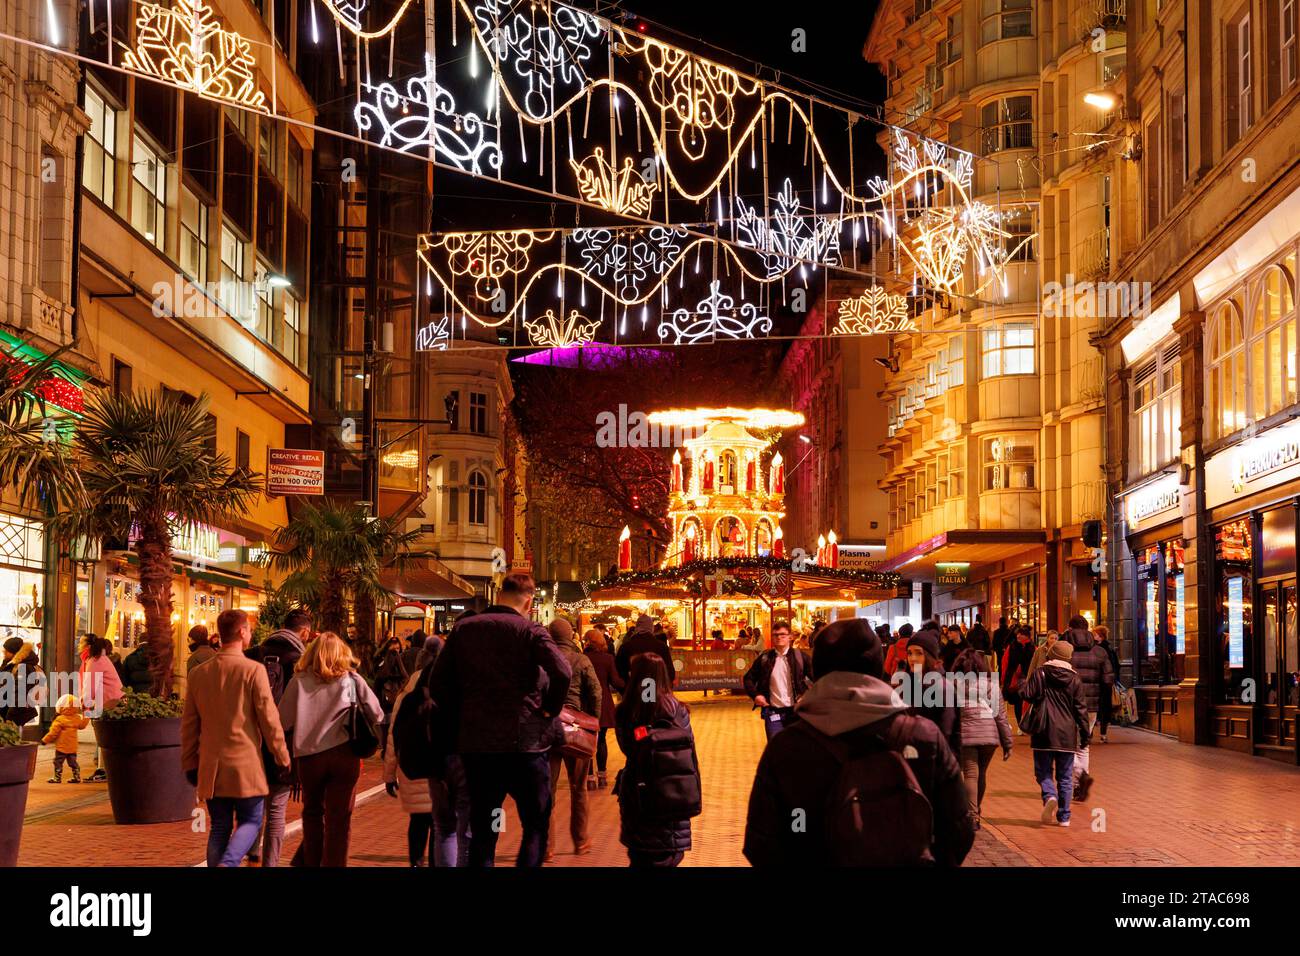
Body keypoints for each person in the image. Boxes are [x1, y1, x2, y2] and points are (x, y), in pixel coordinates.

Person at [743, 618, 975, 867]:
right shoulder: (921, 736)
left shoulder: (787, 746)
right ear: (876, 667)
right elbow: (958, 829)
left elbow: (761, 844)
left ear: (819, 670)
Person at [429, 572, 571, 867]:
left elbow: (438, 682)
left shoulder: (465, 629)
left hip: (481, 748)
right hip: (525, 748)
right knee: (534, 823)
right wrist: (548, 709)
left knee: (486, 825)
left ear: (499, 595)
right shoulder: (530, 632)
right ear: (529, 601)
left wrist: (463, 712)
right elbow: (562, 672)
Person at [181, 609, 291, 868]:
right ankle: (228, 863)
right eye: (249, 629)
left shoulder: (199, 674)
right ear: (242, 632)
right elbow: (269, 719)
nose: (250, 633)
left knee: (219, 826)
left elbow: (189, 724)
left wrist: (189, 761)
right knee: (251, 821)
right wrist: (282, 755)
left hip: (212, 765)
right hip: (245, 765)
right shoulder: (253, 671)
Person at [277, 631, 382, 867]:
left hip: (309, 757)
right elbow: (376, 713)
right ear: (342, 653)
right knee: (339, 819)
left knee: (313, 813)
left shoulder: (299, 681)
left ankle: (313, 862)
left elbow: (283, 721)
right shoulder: (352, 681)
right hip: (344, 755)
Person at [615, 652, 699, 867]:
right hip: (674, 791)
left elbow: (628, 748)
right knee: (668, 856)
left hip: (638, 791)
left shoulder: (626, 711)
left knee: (640, 856)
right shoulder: (678, 709)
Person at [244, 607, 312, 868]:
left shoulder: (253, 654)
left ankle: (251, 853)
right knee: (276, 809)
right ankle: (270, 863)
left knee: (255, 804)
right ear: (304, 632)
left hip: (251, 740)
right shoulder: (301, 661)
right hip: (283, 741)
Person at [544, 619, 601, 862]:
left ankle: (547, 847)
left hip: (549, 730)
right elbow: (596, 692)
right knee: (579, 789)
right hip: (576, 730)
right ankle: (580, 841)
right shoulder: (581, 660)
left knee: (547, 791)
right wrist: (592, 724)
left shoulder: (543, 659)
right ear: (571, 636)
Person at [1020, 639, 1091, 827]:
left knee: (1043, 772)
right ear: (1068, 657)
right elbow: (1080, 709)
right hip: (1067, 734)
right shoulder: (1075, 679)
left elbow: (1026, 694)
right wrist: (1085, 734)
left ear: (1051, 654)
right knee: (1065, 776)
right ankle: (1064, 816)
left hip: (1043, 730)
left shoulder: (1040, 673)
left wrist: (1025, 685)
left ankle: (1050, 795)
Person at [384, 655, 436, 867]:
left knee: (418, 821)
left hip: (411, 767)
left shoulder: (405, 695)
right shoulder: (446, 689)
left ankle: (415, 862)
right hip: (439, 770)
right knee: (439, 825)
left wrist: (389, 774)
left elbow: (392, 737)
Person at [951, 646, 1012, 828]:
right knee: (981, 773)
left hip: (967, 735)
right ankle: (976, 810)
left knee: (970, 774)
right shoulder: (992, 686)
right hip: (989, 736)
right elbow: (1001, 717)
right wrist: (1007, 743)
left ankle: (972, 815)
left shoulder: (953, 685)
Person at [1063, 615, 1114, 801]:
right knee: (1083, 745)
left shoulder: (1064, 650)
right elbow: (1108, 680)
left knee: (1066, 745)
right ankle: (1079, 785)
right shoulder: (1100, 652)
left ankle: (1079, 777)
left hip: (1067, 705)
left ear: (1070, 628)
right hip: (1091, 707)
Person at [742, 620, 812, 740]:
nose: (779, 637)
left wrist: (807, 696)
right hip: (773, 712)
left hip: (796, 713)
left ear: (790, 637)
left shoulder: (800, 657)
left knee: (795, 748)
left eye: (782, 635)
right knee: (775, 747)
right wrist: (756, 696)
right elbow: (748, 678)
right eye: (775, 635)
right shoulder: (765, 658)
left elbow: (819, 680)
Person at [904, 629, 961, 755]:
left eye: (919, 653)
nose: (912, 658)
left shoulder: (941, 685)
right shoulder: (912, 682)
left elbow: (945, 729)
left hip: (937, 760)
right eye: (909, 653)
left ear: (929, 656)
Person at [78, 634, 123, 781]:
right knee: (105, 736)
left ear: (88, 646)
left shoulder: (95, 660)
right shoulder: (97, 658)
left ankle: (103, 770)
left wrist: (84, 703)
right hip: (108, 701)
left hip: (107, 702)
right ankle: (104, 768)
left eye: (81, 642)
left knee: (104, 736)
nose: (78, 644)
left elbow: (89, 685)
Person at [583, 628, 623, 788]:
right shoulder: (608, 659)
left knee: (587, 741)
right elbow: (615, 681)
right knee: (602, 741)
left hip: (586, 704)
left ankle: (590, 777)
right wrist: (630, 688)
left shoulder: (583, 658)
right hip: (604, 704)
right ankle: (602, 776)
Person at [42, 694, 89, 784]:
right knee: (73, 763)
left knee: (58, 762)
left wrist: (45, 740)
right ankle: (77, 777)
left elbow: (53, 733)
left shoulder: (59, 720)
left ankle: (57, 778)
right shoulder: (76, 718)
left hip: (61, 747)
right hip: (72, 747)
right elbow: (82, 725)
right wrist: (87, 715)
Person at [615, 613, 674, 684]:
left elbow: (618, 672)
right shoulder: (661, 647)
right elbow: (670, 673)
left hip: (634, 690)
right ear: (651, 627)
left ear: (637, 627)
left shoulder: (626, 647)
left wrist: (627, 689)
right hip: (655, 690)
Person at [1000, 625, 1036, 730]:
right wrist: (1004, 678)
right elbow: (1005, 663)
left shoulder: (1033, 648)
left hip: (1028, 678)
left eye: (1021, 634)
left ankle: (1025, 723)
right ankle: (1020, 723)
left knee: (1027, 701)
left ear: (1027, 636)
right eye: (1018, 634)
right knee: (1017, 701)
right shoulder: (1012, 647)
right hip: (1014, 679)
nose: (1018, 636)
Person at [1, 637, 42, 727]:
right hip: (7, 709)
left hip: (14, 712)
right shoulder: (10, 663)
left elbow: (20, 693)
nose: (3, 652)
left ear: (14, 652)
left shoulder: (23, 667)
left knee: (10, 738)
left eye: (6, 650)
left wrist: (10, 717)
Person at [1094, 625, 1119, 742]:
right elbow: (1116, 667)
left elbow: (1113, 666)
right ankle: (1103, 733)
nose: (1093, 637)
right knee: (1103, 709)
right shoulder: (1109, 649)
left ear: (1101, 636)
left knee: (1096, 708)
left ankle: (1095, 733)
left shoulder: (1100, 650)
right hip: (1105, 684)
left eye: (1095, 635)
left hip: (1099, 683)